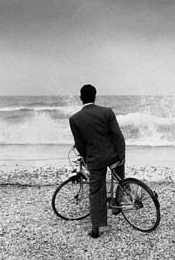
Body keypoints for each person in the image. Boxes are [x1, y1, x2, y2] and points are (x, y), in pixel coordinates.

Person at [69, 84, 125, 239]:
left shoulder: (75, 119)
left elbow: (80, 144)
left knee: (96, 191)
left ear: (81, 98)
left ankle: (97, 227)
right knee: (120, 178)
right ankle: (118, 202)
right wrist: (122, 155)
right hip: (112, 155)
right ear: (95, 96)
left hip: (95, 159)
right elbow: (117, 136)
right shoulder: (107, 112)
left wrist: (87, 159)